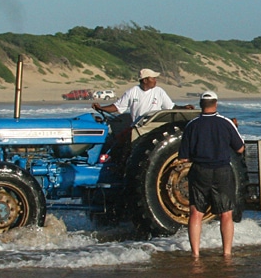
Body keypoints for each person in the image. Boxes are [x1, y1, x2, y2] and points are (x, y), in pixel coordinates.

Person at [178, 91, 246, 259]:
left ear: (201, 105)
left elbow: (183, 156)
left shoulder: (192, 125)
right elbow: (240, 148)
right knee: (226, 213)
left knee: (196, 213)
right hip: (222, 170)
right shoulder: (226, 123)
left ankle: (195, 253)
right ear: (216, 104)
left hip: (200, 170)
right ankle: (227, 253)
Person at [92, 68, 174, 123]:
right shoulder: (132, 92)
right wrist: (101, 108)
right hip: (138, 126)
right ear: (145, 80)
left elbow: (171, 107)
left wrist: (184, 107)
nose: (155, 81)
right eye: (153, 78)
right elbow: (117, 107)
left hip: (154, 125)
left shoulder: (159, 91)